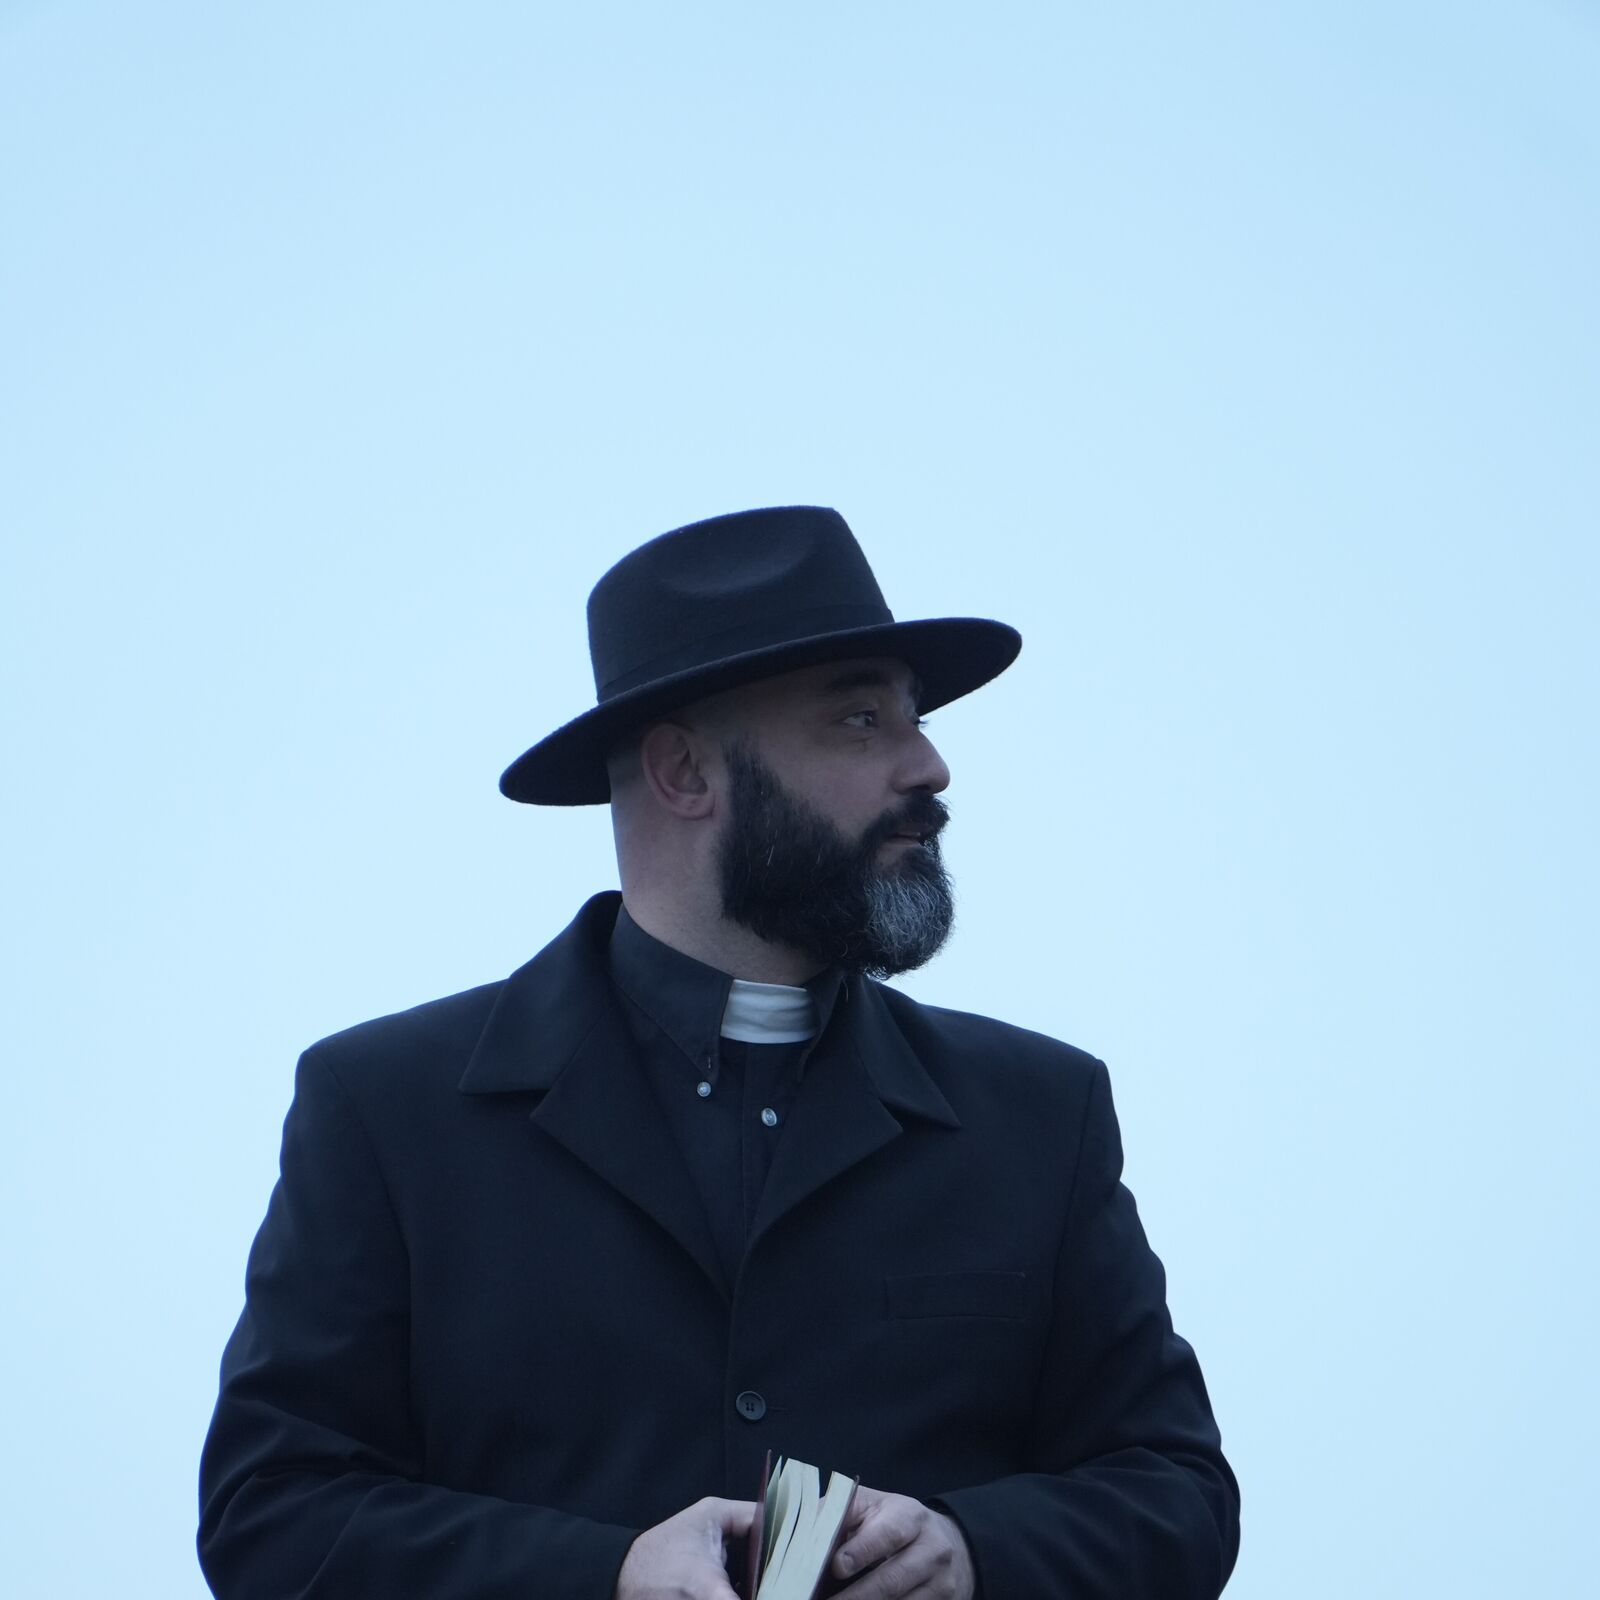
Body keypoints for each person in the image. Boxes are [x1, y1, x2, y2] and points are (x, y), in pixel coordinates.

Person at [198, 505, 1240, 1599]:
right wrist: (600, 1578)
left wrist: (977, 1549)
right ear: (685, 773)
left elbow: (1172, 1491)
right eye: (856, 721)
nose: (928, 765)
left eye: (914, 716)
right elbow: (272, 1515)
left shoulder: (1038, 1109)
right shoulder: (389, 1106)